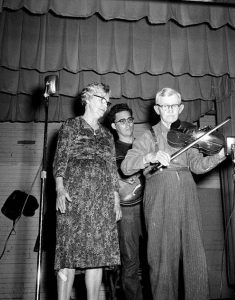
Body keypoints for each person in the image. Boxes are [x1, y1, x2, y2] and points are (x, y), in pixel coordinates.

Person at [121, 87, 226, 300]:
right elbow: (126, 166)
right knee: (162, 257)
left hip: (187, 194)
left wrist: (220, 156)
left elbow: (197, 166)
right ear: (157, 109)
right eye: (165, 106)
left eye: (174, 106)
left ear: (181, 107)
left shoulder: (189, 135)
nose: (170, 111)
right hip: (160, 197)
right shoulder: (147, 136)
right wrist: (149, 156)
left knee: (194, 253)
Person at [53, 83, 122, 300]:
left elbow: (112, 168)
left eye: (107, 101)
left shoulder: (107, 135)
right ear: (87, 98)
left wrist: (116, 200)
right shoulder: (70, 126)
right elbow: (60, 159)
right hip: (74, 198)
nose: (105, 104)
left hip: (101, 201)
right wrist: (59, 189)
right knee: (68, 253)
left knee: (97, 256)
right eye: (102, 99)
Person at [107, 103, 145, 300]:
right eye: (122, 121)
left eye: (130, 119)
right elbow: (105, 179)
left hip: (150, 205)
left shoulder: (143, 145)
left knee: (156, 257)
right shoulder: (109, 150)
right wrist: (120, 178)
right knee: (130, 262)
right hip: (127, 210)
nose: (128, 124)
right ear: (114, 126)